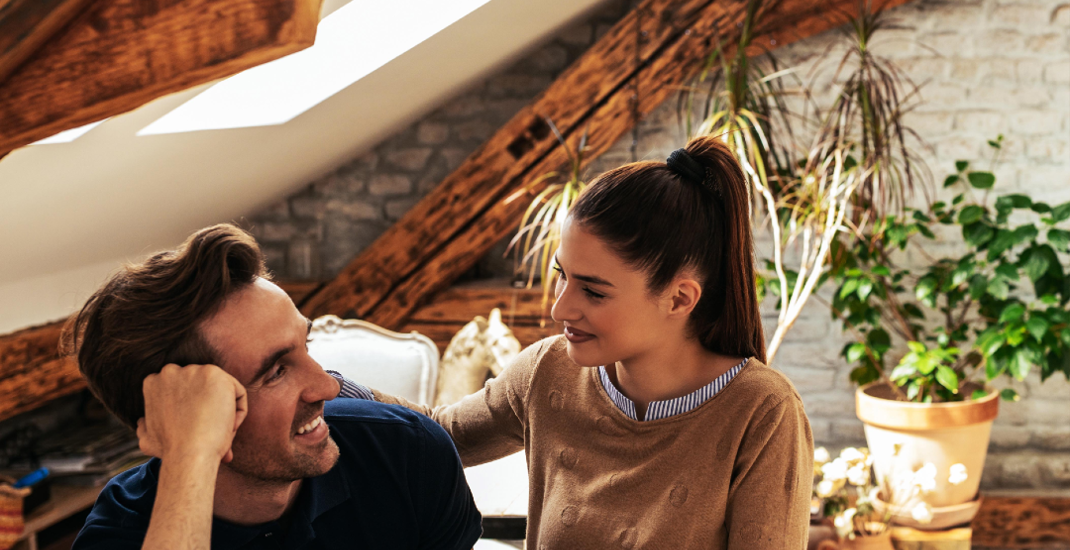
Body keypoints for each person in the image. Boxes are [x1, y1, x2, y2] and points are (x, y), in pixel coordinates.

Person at [362, 136, 815, 549]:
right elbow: (435, 435)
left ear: (679, 298)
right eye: (562, 275)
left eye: (594, 291)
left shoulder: (763, 414)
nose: (560, 309)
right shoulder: (547, 371)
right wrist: (321, 384)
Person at [66, 225, 482, 550]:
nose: (328, 386)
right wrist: (191, 456)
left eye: (307, 344)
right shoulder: (124, 530)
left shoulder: (408, 455)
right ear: (180, 413)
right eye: (275, 372)